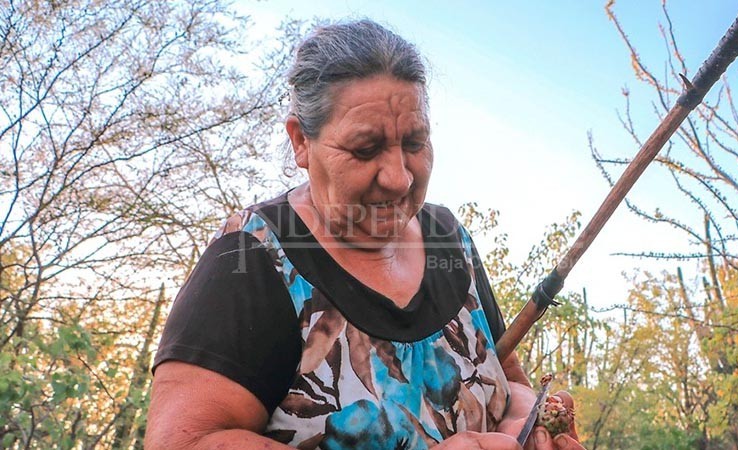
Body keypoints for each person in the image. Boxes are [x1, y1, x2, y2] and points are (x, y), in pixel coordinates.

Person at [145, 19, 584, 450]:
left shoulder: (449, 237)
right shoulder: (255, 257)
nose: (398, 178)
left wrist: (525, 421)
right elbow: (183, 440)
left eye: (414, 143)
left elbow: (504, 375)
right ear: (301, 141)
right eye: (365, 149)